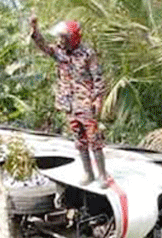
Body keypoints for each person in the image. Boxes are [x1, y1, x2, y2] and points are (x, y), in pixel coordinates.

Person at [30, 15, 109, 188]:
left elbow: (98, 78)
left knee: (93, 138)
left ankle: (102, 174)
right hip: (69, 103)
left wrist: (98, 100)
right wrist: (35, 30)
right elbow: (43, 46)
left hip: (85, 102)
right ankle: (88, 172)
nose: (60, 40)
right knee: (79, 139)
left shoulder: (87, 53)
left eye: (63, 37)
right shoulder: (59, 52)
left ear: (73, 38)